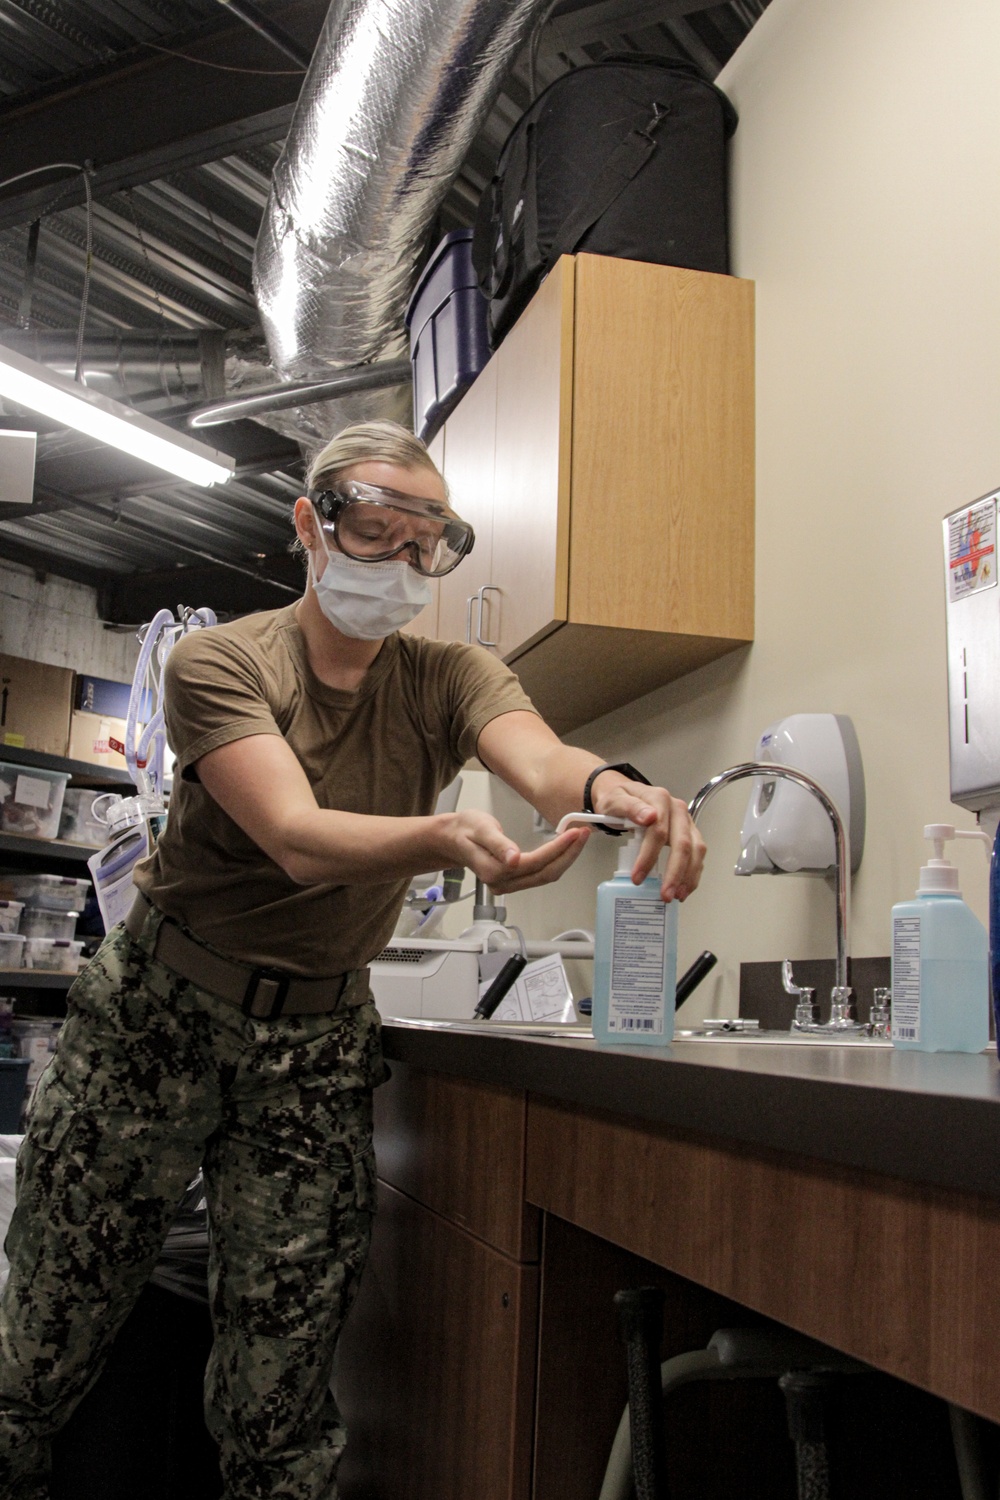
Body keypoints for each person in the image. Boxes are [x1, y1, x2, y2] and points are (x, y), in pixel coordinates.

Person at [0, 419, 706, 1500]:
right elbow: (294, 834)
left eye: (427, 545)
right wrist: (439, 837)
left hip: (315, 1043)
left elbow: (541, 759)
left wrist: (614, 789)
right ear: (311, 525)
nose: (401, 564)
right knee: (47, 1336)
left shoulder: (447, 673)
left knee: (281, 1387)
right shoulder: (220, 661)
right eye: (376, 531)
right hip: (158, 1014)